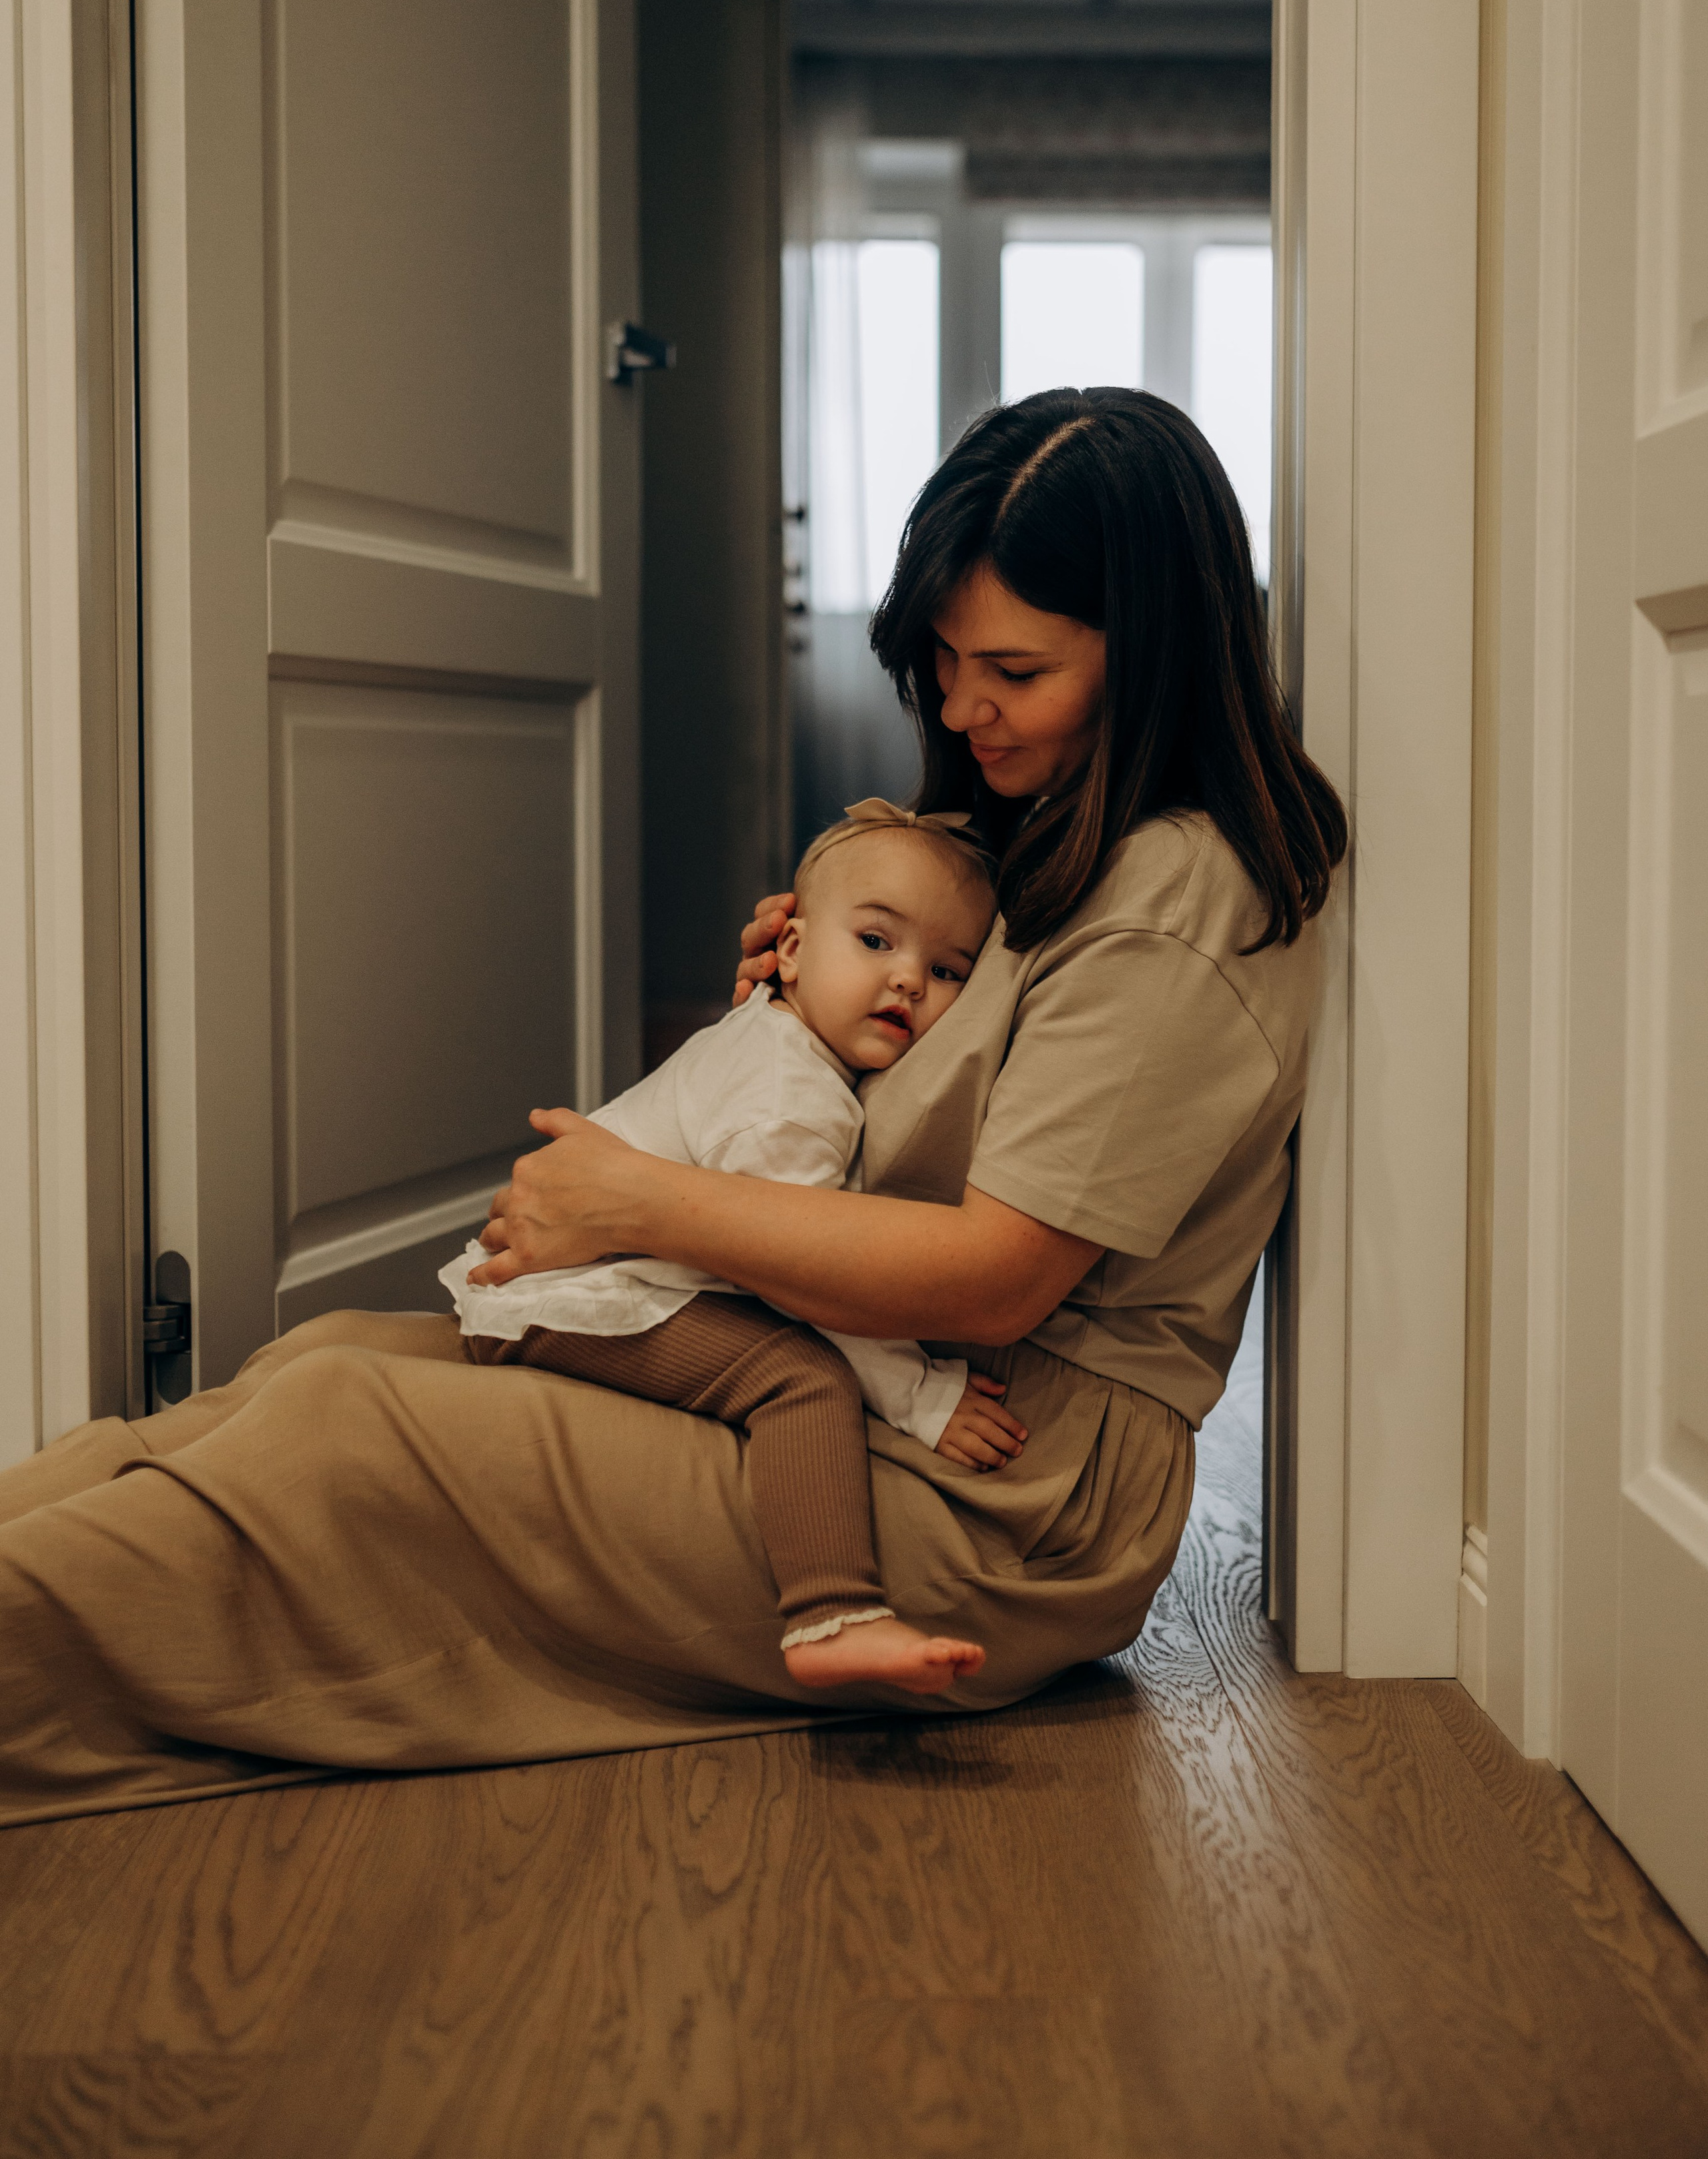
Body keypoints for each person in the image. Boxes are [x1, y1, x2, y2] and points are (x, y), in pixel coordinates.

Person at [0, 387, 1346, 1829]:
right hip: (854, 1373)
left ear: (1149, 655)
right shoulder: (1035, 832)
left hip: (1003, 1487)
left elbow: (1003, 1275)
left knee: (341, 1441)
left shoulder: (1172, 904)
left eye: (1010, 668)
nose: (961, 709)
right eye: (942, 661)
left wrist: (636, 1199)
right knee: (315, 1361)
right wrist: (815, 1020)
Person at [444, 800, 1023, 1694]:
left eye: (947, 970)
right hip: (581, 1294)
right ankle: (831, 1614)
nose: (908, 981)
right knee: (801, 1379)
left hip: (613, 1280)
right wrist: (921, 1397)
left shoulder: (789, 1044)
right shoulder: (788, 1089)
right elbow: (810, 1281)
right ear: (787, 949)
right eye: (876, 942)